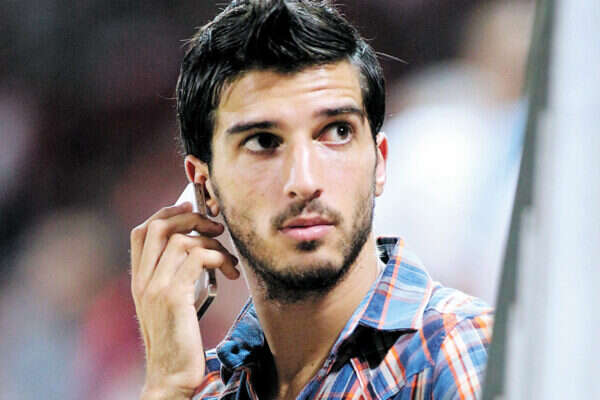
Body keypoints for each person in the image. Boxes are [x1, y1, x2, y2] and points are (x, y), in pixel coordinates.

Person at [130, 1, 493, 399]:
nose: (304, 182)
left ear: (379, 163)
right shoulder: (202, 387)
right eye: (263, 141)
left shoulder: (456, 353)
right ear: (205, 186)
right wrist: (166, 386)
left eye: (337, 132)